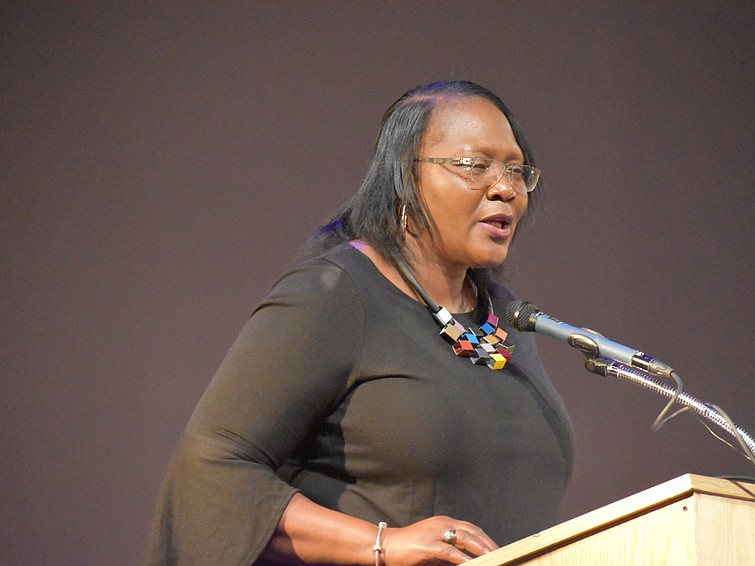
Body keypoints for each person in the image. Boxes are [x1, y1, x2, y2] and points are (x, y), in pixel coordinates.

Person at [144, 81, 575, 566]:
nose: (506, 188)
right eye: (475, 166)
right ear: (405, 179)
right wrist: (384, 543)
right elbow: (210, 469)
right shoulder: (336, 294)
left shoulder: (507, 320)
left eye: (517, 170)